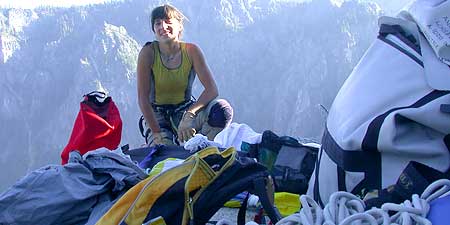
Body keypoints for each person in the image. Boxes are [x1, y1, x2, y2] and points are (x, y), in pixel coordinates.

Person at [137, 4, 233, 146]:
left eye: (168, 21)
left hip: (184, 109)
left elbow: (212, 90)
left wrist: (190, 115)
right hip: (156, 115)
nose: (163, 26)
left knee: (221, 110)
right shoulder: (148, 52)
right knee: (165, 154)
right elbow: (143, 99)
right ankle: (164, 142)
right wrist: (156, 133)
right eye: (158, 23)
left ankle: (199, 146)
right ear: (154, 29)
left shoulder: (191, 51)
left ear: (179, 26)